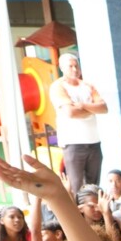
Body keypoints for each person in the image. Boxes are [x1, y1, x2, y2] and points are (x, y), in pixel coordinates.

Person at [49, 53, 108, 194]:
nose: (74, 69)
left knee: (93, 186)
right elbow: (70, 112)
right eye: (70, 66)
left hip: (94, 141)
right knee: (76, 186)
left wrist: (82, 105)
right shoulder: (58, 87)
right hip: (73, 143)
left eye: (76, 66)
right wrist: (92, 109)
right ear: (62, 68)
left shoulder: (88, 85)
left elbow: (103, 108)